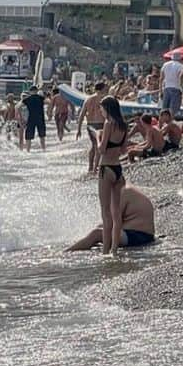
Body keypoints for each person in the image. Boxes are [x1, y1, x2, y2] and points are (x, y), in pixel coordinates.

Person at [66, 184, 156, 251]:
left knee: (96, 234)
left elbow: (112, 221)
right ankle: (76, 247)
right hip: (141, 234)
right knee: (99, 233)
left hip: (138, 236)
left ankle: (66, 253)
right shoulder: (126, 189)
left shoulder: (123, 192)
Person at [95, 95, 131, 254]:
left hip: (106, 168)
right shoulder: (124, 126)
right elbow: (124, 150)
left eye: (102, 108)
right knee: (117, 213)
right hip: (118, 169)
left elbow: (101, 149)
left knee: (105, 212)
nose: (101, 111)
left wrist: (98, 136)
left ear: (107, 108)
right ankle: (114, 250)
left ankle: (105, 251)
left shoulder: (108, 124)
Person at [76, 80, 108, 174]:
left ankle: (90, 167)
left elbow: (81, 115)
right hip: (100, 124)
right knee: (98, 146)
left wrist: (79, 129)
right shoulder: (104, 99)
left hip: (90, 124)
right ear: (102, 88)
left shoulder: (88, 99)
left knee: (93, 146)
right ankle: (95, 168)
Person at [20, 84, 47, 153]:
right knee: (42, 135)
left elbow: (18, 107)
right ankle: (44, 149)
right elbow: (48, 102)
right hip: (40, 118)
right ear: (37, 91)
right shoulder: (41, 98)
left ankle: (28, 150)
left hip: (30, 119)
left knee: (28, 136)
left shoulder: (27, 99)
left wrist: (21, 117)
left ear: (30, 91)